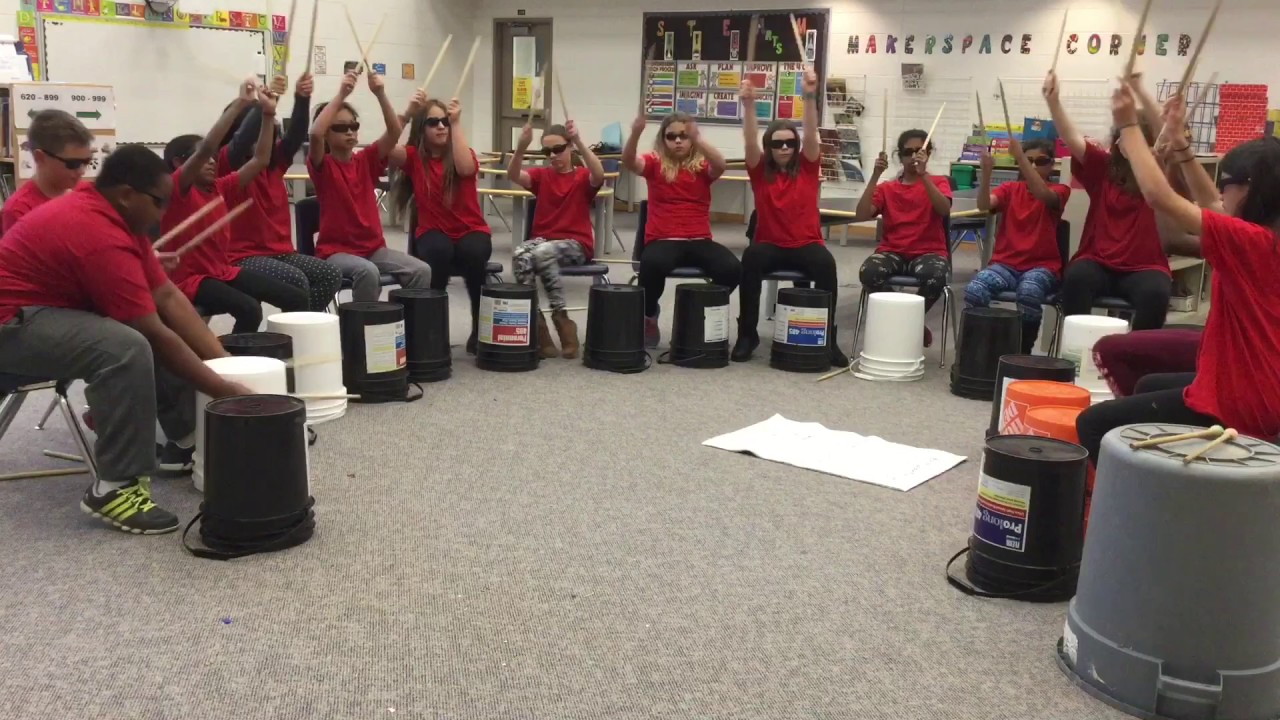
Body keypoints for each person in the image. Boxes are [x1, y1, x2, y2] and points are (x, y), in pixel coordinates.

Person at [0, 145, 254, 534]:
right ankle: (115, 487)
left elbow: (167, 296)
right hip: (10, 329)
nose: (164, 213)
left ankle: (188, 439)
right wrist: (223, 389)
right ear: (126, 194)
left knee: (145, 329)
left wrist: (224, 363)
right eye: (159, 202)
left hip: (41, 313)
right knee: (124, 346)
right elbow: (153, 331)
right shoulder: (97, 231)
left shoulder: (118, 217)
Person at [1076, 83, 1280, 464]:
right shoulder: (1265, 237)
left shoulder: (1252, 242)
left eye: (1227, 183)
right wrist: (1182, 147)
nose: (1221, 193)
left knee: (1092, 425)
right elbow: (1211, 202)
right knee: (1148, 385)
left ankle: (1129, 496)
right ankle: (1165, 473)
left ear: (1250, 189)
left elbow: (1159, 197)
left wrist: (1128, 128)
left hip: (1241, 403)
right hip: (1259, 387)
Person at [162, 79, 308, 333]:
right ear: (179, 163)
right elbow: (209, 146)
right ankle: (234, 355)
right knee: (250, 309)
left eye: (213, 158)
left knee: (295, 298)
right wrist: (241, 103)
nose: (211, 161)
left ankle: (290, 350)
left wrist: (268, 114)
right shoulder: (179, 189)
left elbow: (260, 159)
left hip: (221, 271)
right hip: (190, 279)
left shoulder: (221, 187)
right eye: (203, 158)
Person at [733, 71, 847, 368]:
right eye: (777, 143)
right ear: (769, 147)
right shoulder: (760, 171)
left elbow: (810, 133)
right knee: (751, 258)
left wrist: (809, 95)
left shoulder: (808, 167)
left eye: (789, 143)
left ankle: (828, 338)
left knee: (826, 264)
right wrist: (748, 105)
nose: (784, 147)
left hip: (806, 244)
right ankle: (747, 334)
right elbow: (749, 141)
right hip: (770, 245)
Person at [1044, 70, 1171, 330]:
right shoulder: (1103, 168)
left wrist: (1141, 91)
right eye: (1123, 135)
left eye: (1135, 137)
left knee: (1157, 293)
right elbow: (1072, 139)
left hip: (1143, 266)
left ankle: (1137, 352)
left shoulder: (1154, 174)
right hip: (1098, 261)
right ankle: (1077, 348)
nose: (1126, 142)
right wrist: (1053, 103)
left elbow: (1166, 134)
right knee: (1076, 278)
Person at [218, 72, 342, 313]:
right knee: (296, 280)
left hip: (281, 252)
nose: (268, 134)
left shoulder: (276, 164)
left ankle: (297, 327)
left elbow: (295, 134)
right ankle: (295, 329)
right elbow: (241, 141)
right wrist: (265, 105)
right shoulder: (228, 165)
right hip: (241, 257)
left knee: (329, 274)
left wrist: (302, 98)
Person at [308, 70, 432, 303]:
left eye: (353, 126)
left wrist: (380, 93)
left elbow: (394, 132)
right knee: (367, 272)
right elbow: (314, 134)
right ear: (327, 134)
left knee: (421, 270)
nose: (349, 131)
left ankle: (406, 321)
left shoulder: (366, 160)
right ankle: (364, 324)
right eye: (340, 127)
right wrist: (341, 94)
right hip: (336, 253)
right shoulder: (323, 166)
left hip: (373, 250)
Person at [623, 111, 740, 348]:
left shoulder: (702, 166)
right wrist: (635, 133)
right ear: (663, 139)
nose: (678, 140)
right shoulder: (654, 163)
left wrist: (698, 139)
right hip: (663, 239)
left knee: (732, 269)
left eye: (684, 136)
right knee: (652, 265)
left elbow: (720, 164)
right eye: (671, 136)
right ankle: (649, 315)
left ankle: (698, 308)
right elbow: (629, 162)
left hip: (699, 240)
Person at [393, 95, 492, 354]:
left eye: (444, 121)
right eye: (433, 122)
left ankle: (480, 331)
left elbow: (465, 169)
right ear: (421, 128)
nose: (441, 126)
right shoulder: (414, 157)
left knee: (474, 252)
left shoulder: (462, 151)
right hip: (433, 232)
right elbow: (386, 149)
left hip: (471, 229)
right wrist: (407, 113)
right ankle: (434, 334)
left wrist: (456, 123)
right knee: (438, 252)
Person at [505, 119, 606, 359]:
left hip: (576, 244)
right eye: (546, 151)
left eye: (558, 149)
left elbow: (599, 173)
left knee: (543, 252)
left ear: (570, 147)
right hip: (544, 241)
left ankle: (562, 319)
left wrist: (579, 139)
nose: (552, 155)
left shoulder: (582, 177)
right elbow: (513, 174)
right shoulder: (542, 176)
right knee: (520, 254)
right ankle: (537, 325)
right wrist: (521, 147)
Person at [966, 138, 1071, 353]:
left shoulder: (1060, 190)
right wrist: (986, 174)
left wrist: (1020, 158)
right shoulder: (1010, 189)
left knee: (1029, 292)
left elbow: (1043, 195)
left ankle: (1022, 352)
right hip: (1005, 265)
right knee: (975, 291)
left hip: (1042, 267)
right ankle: (985, 349)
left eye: (1040, 161)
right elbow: (984, 206)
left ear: (1052, 164)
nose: (1033, 165)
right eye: (1028, 160)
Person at [854, 129, 953, 347]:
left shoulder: (938, 182)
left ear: (928, 154)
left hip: (929, 251)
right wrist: (875, 176)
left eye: (920, 151)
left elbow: (944, 209)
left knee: (936, 275)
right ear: (900, 156)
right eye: (908, 152)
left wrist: (924, 175)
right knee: (869, 272)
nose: (914, 156)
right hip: (892, 251)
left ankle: (909, 320)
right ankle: (908, 321)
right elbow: (861, 215)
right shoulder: (887, 188)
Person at [2, 109, 95, 233]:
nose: (82, 171)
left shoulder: (86, 194)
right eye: (73, 164)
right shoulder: (19, 210)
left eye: (87, 161)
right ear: (40, 158)